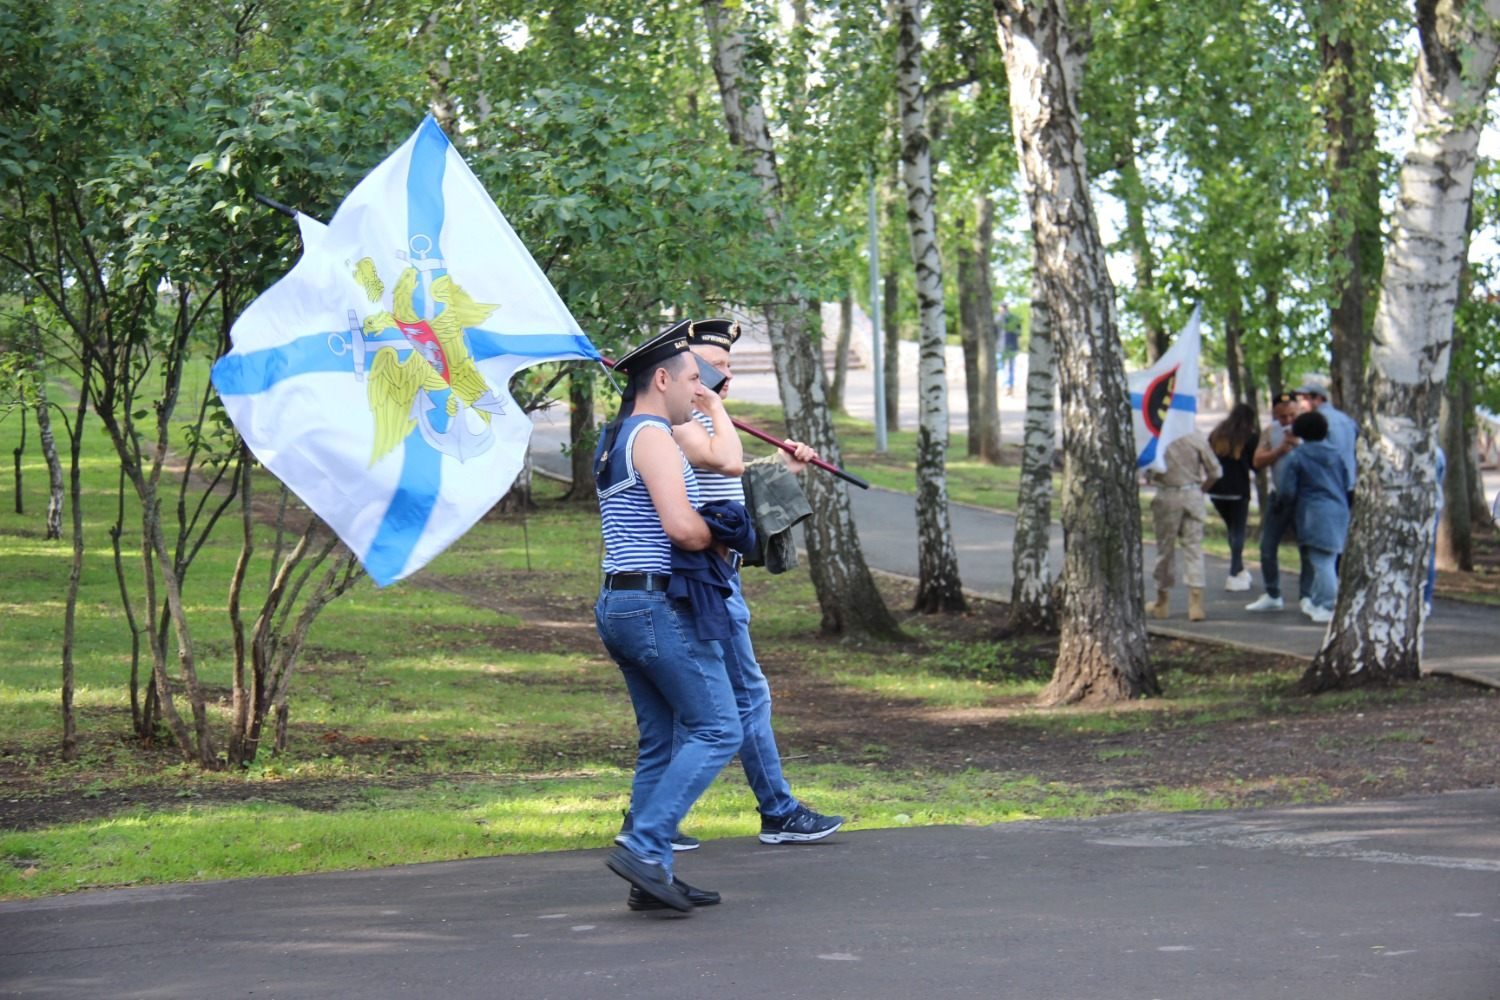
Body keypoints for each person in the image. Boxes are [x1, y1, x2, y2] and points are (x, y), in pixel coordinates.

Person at [668, 318, 844, 846]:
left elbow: (726, 482)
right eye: (716, 366)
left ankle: (653, 821)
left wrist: (780, 469)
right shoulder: (678, 422)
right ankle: (777, 810)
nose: (726, 375)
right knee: (745, 697)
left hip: (714, 579)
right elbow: (717, 468)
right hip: (699, 581)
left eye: (728, 366)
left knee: (704, 706)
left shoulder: (695, 420)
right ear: (687, 368)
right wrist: (713, 409)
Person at [593, 324, 742, 913]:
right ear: (660, 379)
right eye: (689, 378)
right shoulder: (653, 435)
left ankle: (650, 875)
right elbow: (682, 529)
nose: (697, 389)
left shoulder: (616, 437)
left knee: (662, 741)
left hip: (620, 603)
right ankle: (645, 843)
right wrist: (733, 537)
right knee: (718, 727)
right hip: (655, 606)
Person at [1280, 410, 1352, 624]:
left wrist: (1284, 507)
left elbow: (1287, 490)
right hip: (1339, 510)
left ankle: (1328, 604)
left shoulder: (1298, 456)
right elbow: (1346, 482)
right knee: (1328, 558)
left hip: (1314, 512)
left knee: (1321, 561)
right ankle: (1318, 599)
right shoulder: (1336, 454)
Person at [1245, 392, 1313, 612]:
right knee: (1267, 546)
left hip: (1304, 496)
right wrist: (1279, 450)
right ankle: (1272, 593)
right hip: (1279, 496)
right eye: (1282, 416)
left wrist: (1299, 445)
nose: (1288, 421)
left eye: (1292, 415)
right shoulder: (1271, 431)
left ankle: (1307, 595)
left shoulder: (1311, 429)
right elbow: (1256, 460)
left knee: (1307, 547)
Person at [1146, 429, 1221, 621]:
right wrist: (1200, 489)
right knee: (1194, 547)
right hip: (1192, 493)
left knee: (1165, 549)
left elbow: (1148, 471)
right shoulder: (1196, 436)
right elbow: (1215, 470)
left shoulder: (1158, 437)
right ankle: (1195, 603)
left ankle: (1162, 600)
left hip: (1167, 494)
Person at [1206, 403, 1260, 592]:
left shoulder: (1216, 435)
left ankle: (1240, 568)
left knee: (1232, 530)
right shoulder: (1249, 438)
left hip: (1216, 490)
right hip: (1238, 490)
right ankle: (1233, 573)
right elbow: (1256, 464)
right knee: (1238, 532)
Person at [1295, 382, 1358, 507]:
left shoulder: (1316, 421)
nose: (1301, 404)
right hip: (1349, 482)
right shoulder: (1346, 419)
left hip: (1327, 487)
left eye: (1305, 399)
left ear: (1317, 399)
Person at [996, 304, 1021, 396]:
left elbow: (994, 332)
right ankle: (1010, 385)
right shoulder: (1015, 318)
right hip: (1013, 346)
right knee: (1011, 368)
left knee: (1000, 367)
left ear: (1001, 308)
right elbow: (1019, 333)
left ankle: (1006, 384)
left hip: (1000, 346)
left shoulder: (998, 318)